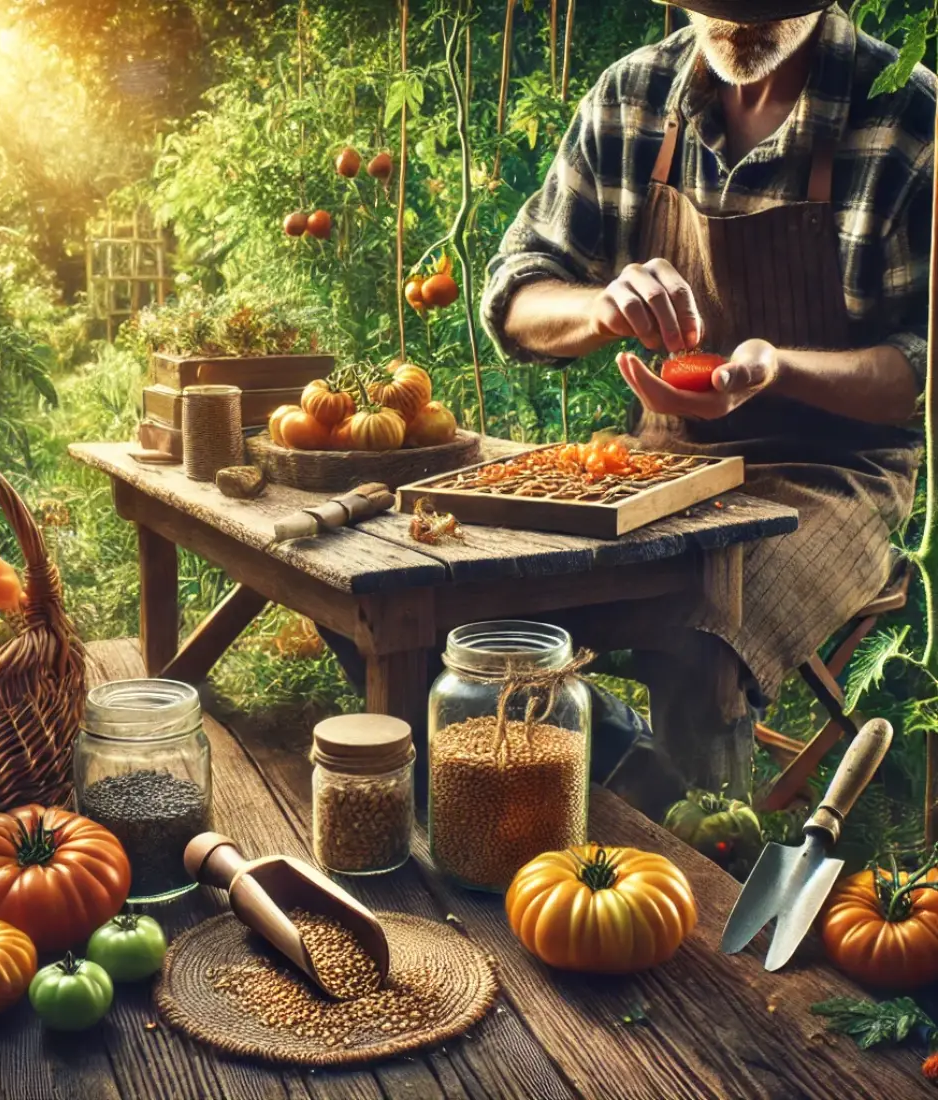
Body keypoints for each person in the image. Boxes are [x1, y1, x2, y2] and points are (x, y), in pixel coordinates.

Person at [321, 1, 933, 816]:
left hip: (834, 473)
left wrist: (778, 368)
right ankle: (618, 766)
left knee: (702, 634)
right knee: (397, 579)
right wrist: (601, 307)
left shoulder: (906, 116)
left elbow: (918, 370)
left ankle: (695, 890)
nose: (740, 23)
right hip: (658, 462)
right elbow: (516, 297)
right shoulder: (634, 94)